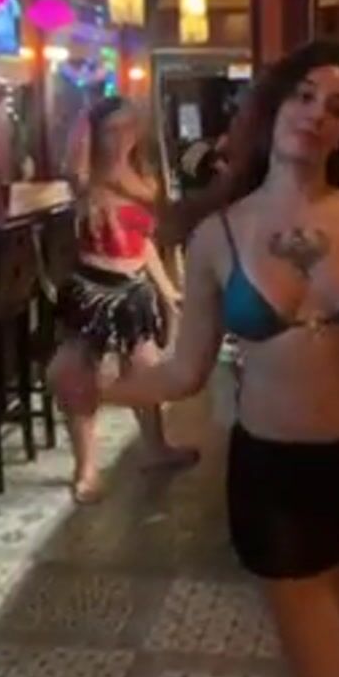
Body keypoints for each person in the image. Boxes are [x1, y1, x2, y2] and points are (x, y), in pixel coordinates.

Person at [55, 40, 339, 677]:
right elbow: (185, 372)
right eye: (304, 95)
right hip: (274, 480)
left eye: (336, 107)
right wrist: (101, 392)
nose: (318, 113)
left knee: (325, 649)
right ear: (274, 106)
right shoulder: (216, 235)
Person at [48, 96, 198, 504]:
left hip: (134, 288)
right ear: (95, 134)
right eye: (111, 130)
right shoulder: (85, 176)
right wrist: (86, 115)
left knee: (147, 371)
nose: (120, 138)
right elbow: (74, 164)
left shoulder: (144, 176)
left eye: (128, 129)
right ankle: (86, 469)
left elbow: (144, 241)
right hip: (91, 288)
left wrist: (167, 289)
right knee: (77, 376)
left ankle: (156, 448)